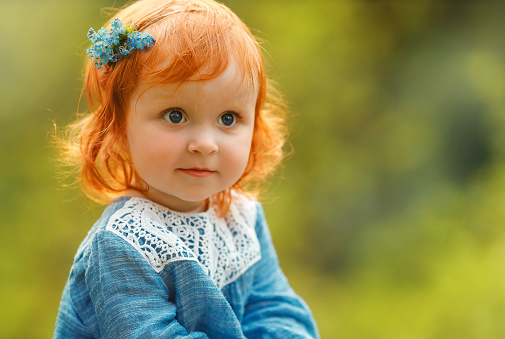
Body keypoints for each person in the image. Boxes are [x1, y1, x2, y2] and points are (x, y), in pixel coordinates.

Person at [53, 0, 319, 337]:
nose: (205, 144)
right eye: (175, 115)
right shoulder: (121, 244)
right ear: (119, 129)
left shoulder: (242, 219)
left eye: (228, 118)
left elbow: (278, 311)